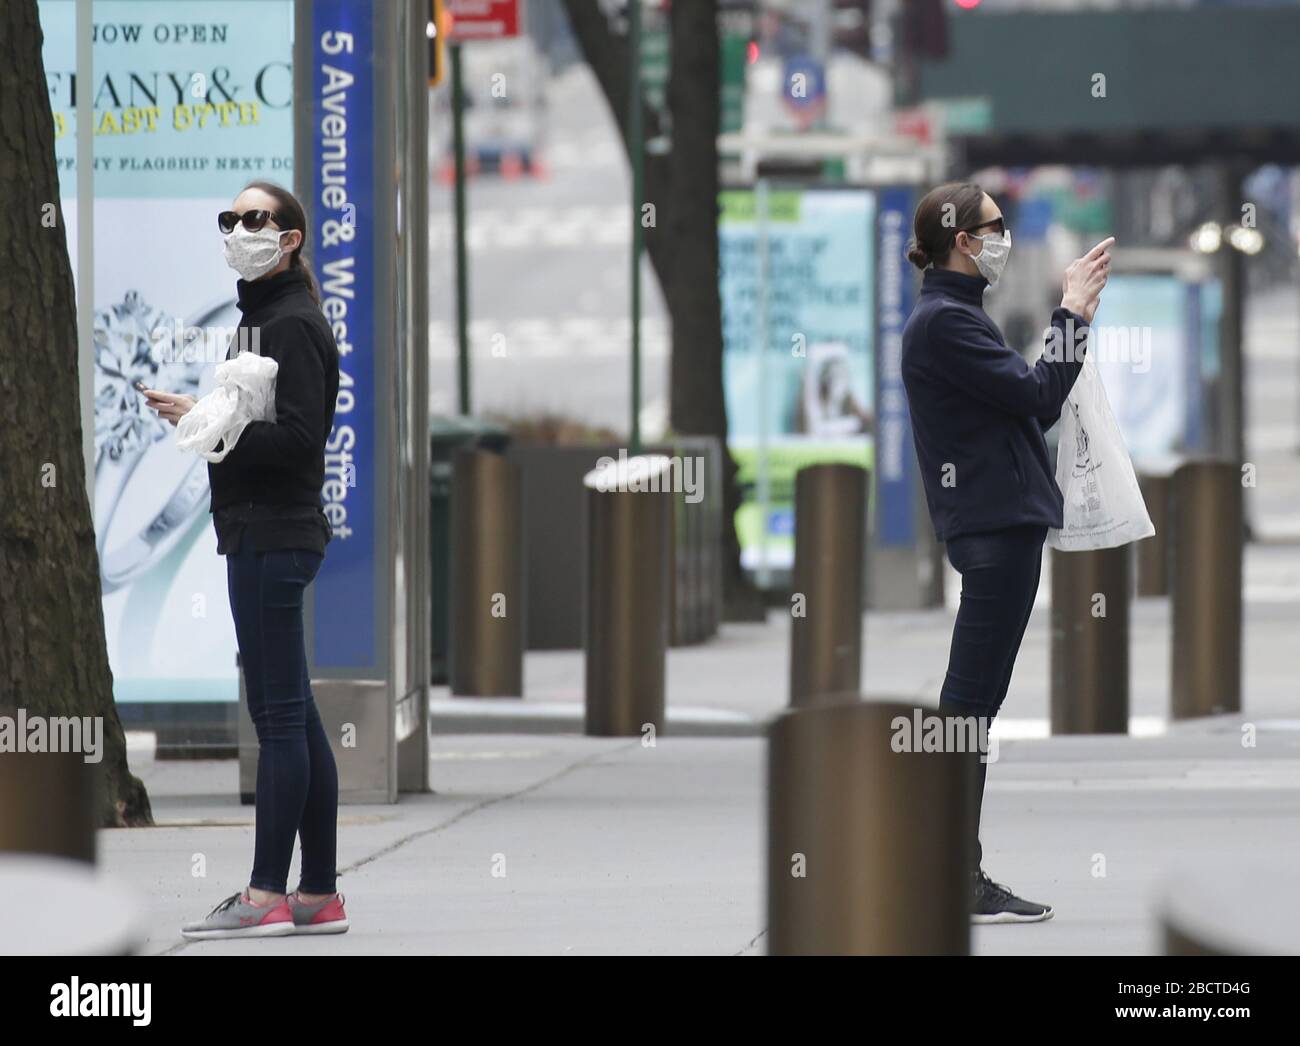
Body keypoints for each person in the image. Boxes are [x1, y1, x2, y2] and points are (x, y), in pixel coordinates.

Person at [901, 181, 1113, 924]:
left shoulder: (957, 316)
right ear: (963, 241)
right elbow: (1037, 394)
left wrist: (1071, 319)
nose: (1004, 237)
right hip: (992, 532)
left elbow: (1030, 398)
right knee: (966, 709)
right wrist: (1073, 314)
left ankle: (950, 868)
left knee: (972, 709)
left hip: (1001, 528)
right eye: (994, 226)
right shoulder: (943, 325)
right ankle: (949, 873)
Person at [143, 180, 347, 939]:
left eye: (254, 219)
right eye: (229, 219)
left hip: (275, 533)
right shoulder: (261, 319)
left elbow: (299, 440)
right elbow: (255, 426)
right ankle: (318, 894)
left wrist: (206, 421)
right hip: (260, 531)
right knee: (297, 713)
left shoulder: (290, 324)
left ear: (289, 237)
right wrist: (197, 416)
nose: (237, 229)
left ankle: (265, 896)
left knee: (278, 716)